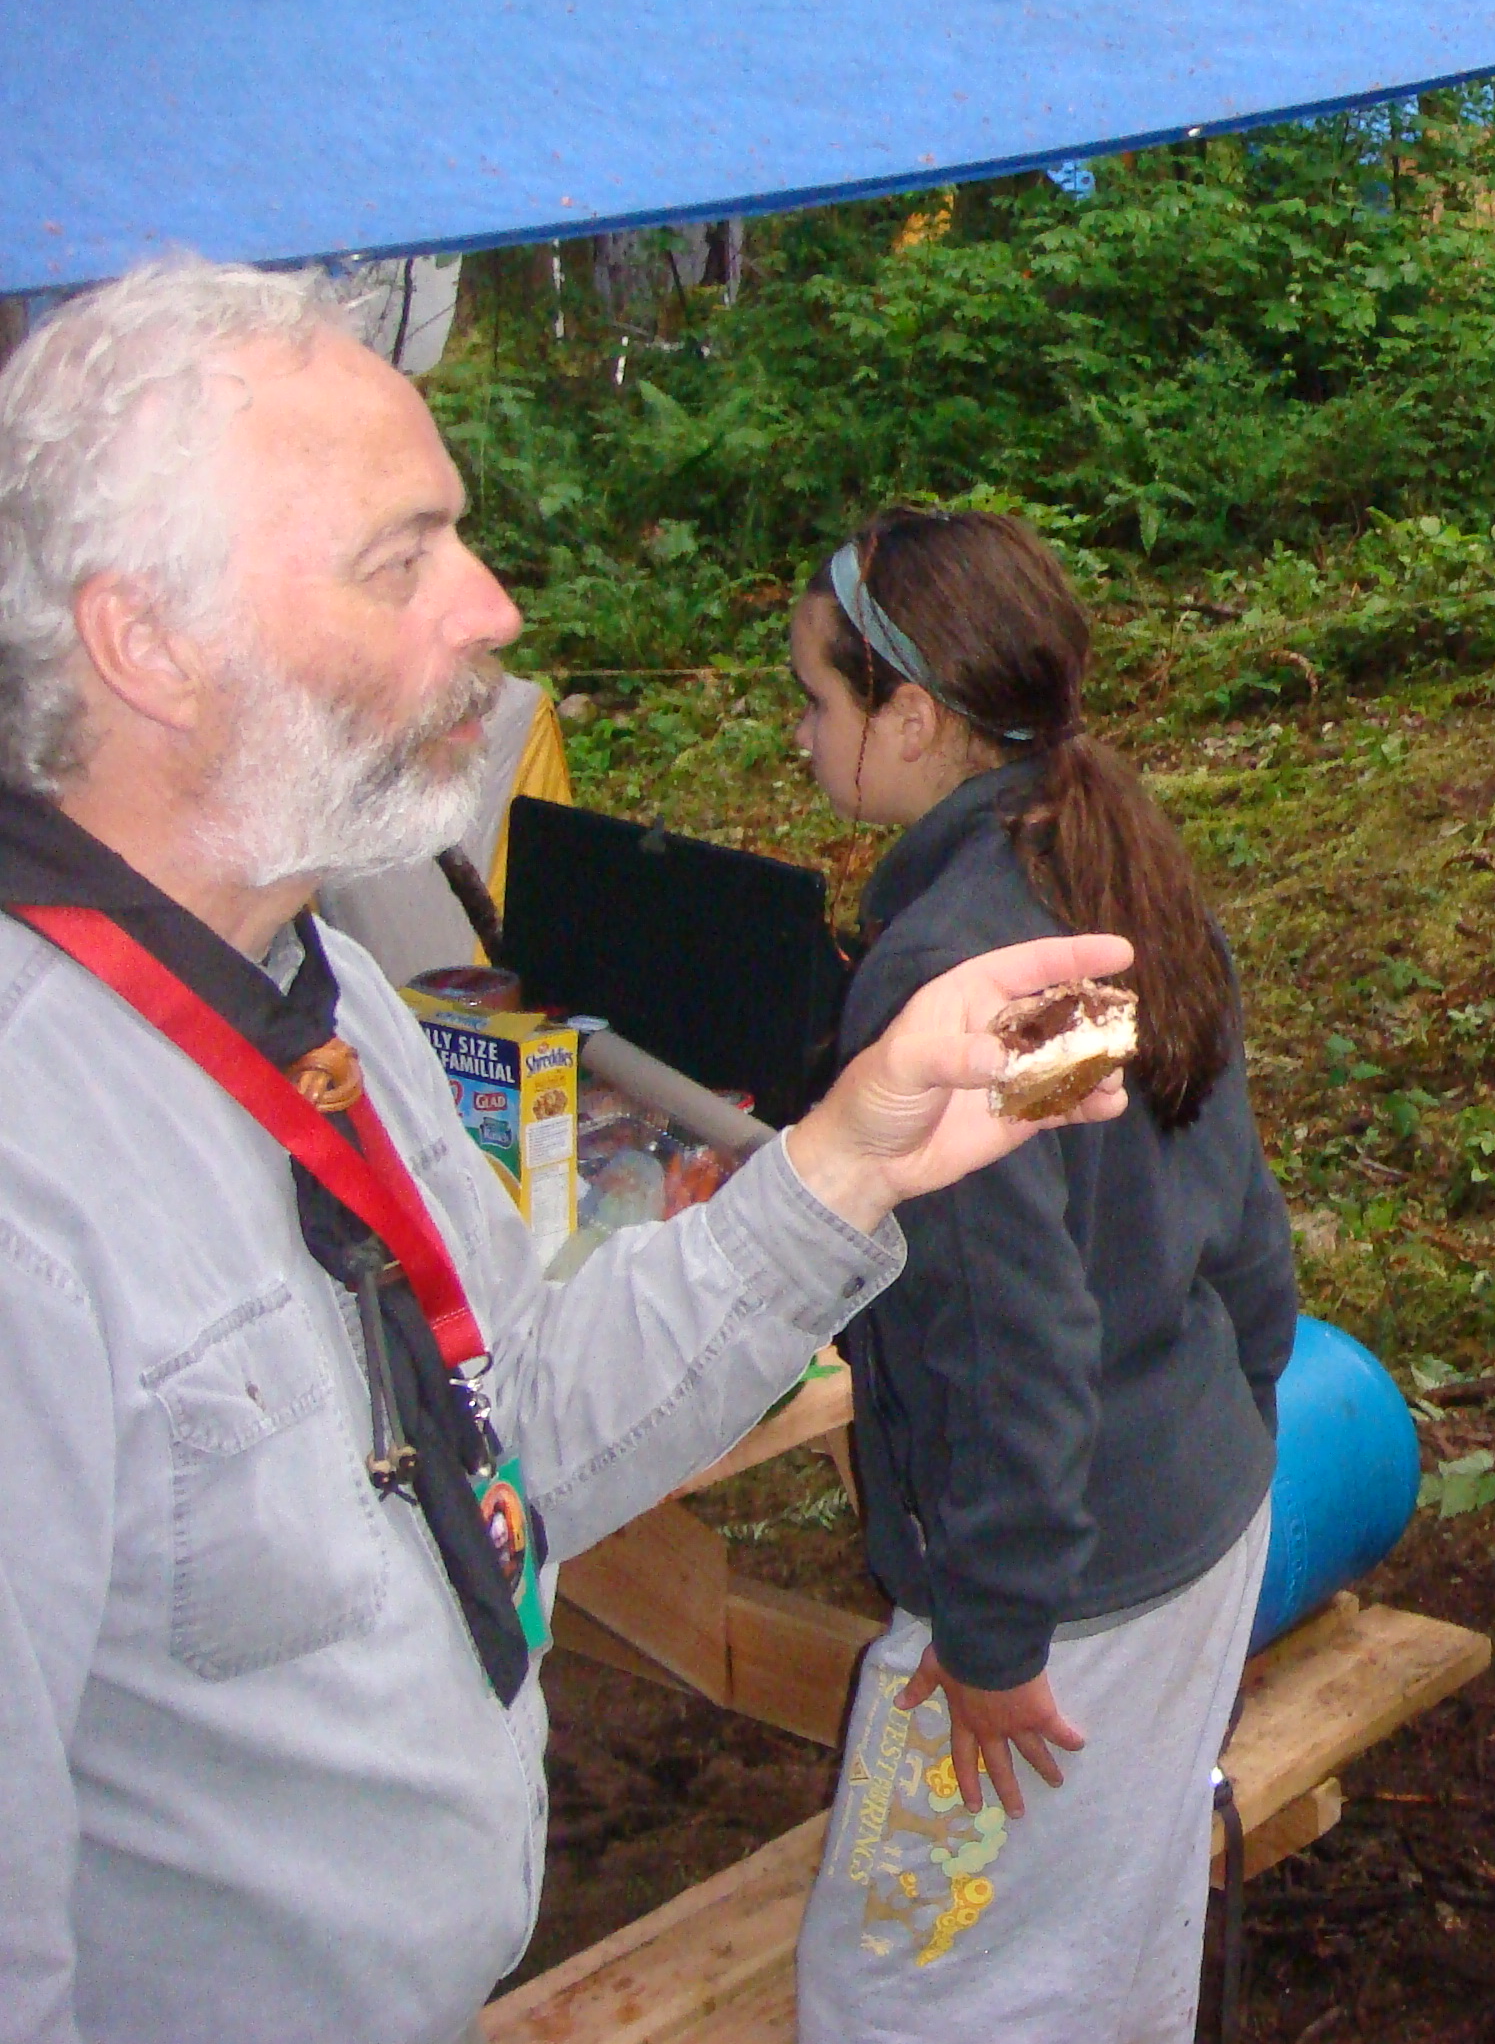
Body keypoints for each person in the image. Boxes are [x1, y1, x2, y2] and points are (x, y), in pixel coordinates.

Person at [0, 259, 1136, 2044]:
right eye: (402, 561)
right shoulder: (34, 1182)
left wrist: (848, 1162)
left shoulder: (328, 1002)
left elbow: (513, 1422)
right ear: (149, 640)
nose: (493, 604)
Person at [784, 507, 1297, 2042]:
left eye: (814, 698)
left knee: (893, 1989)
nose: (798, 733)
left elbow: (1006, 1333)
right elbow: (1233, 1207)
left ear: (912, 718)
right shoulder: (1093, 872)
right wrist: (1229, 1415)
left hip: (1060, 1603)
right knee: (1110, 1934)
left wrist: (995, 1635)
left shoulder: (956, 966)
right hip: (1196, 1510)